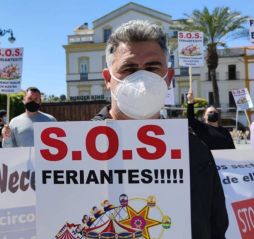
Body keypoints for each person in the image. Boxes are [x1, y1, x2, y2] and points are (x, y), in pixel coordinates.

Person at [92, 20, 228, 239]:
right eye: (129, 69)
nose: (143, 80)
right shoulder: (73, 151)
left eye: (153, 68)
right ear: (108, 79)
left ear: (169, 77)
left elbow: (215, 224)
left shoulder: (194, 150)